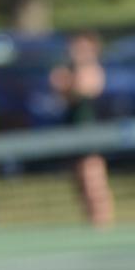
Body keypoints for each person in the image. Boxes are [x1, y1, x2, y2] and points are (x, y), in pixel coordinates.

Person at [51, 31, 113, 228]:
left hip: (90, 131)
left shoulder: (92, 70)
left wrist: (67, 82)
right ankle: (91, 222)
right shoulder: (71, 69)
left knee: (93, 181)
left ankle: (102, 223)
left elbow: (81, 87)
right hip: (72, 129)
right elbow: (60, 89)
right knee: (79, 184)